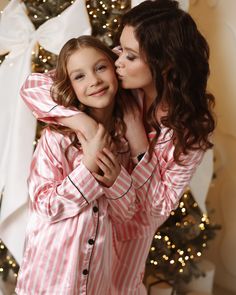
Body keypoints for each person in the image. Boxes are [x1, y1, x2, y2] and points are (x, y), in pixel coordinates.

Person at [20, 1, 216, 294]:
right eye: (120, 49)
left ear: (165, 63)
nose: (117, 60)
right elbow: (34, 86)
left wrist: (138, 143)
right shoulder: (116, 74)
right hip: (74, 243)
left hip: (126, 246)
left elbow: (155, 209)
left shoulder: (189, 129)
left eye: (130, 55)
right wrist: (84, 125)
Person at [15, 35, 137, 295]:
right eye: (79, 76)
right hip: (48, 278)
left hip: (95, 279)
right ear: (69, 84)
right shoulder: (56, 138)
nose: (93, 81)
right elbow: (46, 206)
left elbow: (127, 214)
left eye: (101, 67)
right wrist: (88, 170)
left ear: (115, 69)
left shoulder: (125, 142)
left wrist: (116, 180)